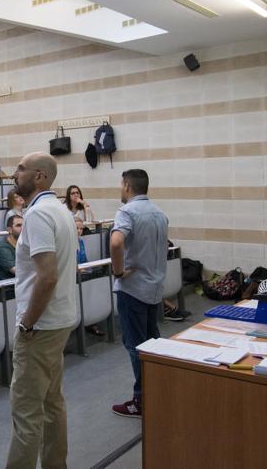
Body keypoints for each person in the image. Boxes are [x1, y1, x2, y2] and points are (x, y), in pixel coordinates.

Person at [6, 152, 79, 469]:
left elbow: (47, 276)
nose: (14, 174)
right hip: (58, 321)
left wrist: (27, 323)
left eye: (21, 169)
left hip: (40, 327)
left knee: (26, 412)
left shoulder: (37, 215)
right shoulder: (61, 210)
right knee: (52, 402)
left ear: (39, 176)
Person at [107, 169, 169, 418]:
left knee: (136, 346)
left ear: (127, 186)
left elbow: (116, 242)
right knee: (153, 342)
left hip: (133, 289)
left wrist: (118, 271)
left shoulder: (127, 212)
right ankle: (159, 391)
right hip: (154, 287)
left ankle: (141, 400)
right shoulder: (160, 213)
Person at [0, 214, 22, 280]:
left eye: (24, 225)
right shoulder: (3, 248)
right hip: (4, 286)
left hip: (19, 283)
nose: (23, 228)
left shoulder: (24, 245)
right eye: (18, 225)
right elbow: (18, 272)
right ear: (9, 230)